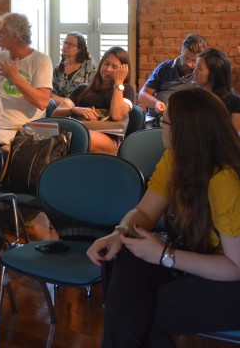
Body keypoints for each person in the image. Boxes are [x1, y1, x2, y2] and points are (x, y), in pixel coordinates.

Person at [87, 88, 240, 347]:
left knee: (140, 315)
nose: (160, 127)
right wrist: (119, 233)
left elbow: (236, 268)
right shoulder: (175, 158)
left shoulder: (224, 179)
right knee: (127, 261)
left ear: (186, 132)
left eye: (164, 122)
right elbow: (145, 212)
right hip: (201, 262)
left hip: (232, 281)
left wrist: (164, 256)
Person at [52, 46, 134, 154]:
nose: (108, 69)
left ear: (123, 70)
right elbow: (55, 114)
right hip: (78, 132)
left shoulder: (126, 90)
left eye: (114, 67)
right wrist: (74, 109)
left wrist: (119, 83)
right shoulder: (82, 89)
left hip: (109, 140)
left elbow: (116, 115)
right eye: (106, 64)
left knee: (82, 137)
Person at [0, 13, 52, 145]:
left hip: (23, 131)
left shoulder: (41, 60)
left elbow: (42, 102)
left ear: (15, 36)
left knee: (0, 154)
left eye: (2, 32)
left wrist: (15, 79)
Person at [138, 33, 208, 113]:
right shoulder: (164, 68)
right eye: (186, 58)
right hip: (158, 119)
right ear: (181, 52)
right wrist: (156, 103)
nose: (188, 63)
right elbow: (142, 95)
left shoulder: (201, 73)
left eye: (194, 60)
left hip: (186, 121)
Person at [194, 48, 240, 131]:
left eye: (199, 68)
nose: (194, 72)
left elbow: (235, 137)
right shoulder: (194, 97)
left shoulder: (235, 102)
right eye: (196, 67)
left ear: (214, 73)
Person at [52, 32, 96, 105]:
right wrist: (66, 103)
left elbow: (93, 95)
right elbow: (52, 94)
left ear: (79, 49)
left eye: (71, 44)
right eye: (65, 43)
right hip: (60, 110)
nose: (66, 46)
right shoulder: (58, 69)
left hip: (82, 110)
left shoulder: (90, 68)